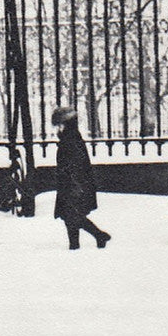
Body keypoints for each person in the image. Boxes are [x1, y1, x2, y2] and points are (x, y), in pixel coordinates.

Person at [52, 106, 111, 250]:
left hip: (73, 183)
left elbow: (74, 164)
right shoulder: (71, 136)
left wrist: (74, 184)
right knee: (70, 215)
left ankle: (94, 237)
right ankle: (92, 238)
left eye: (59, 124)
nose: (57, 128)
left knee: (71, 215)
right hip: (73, 182)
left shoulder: (70, 139)